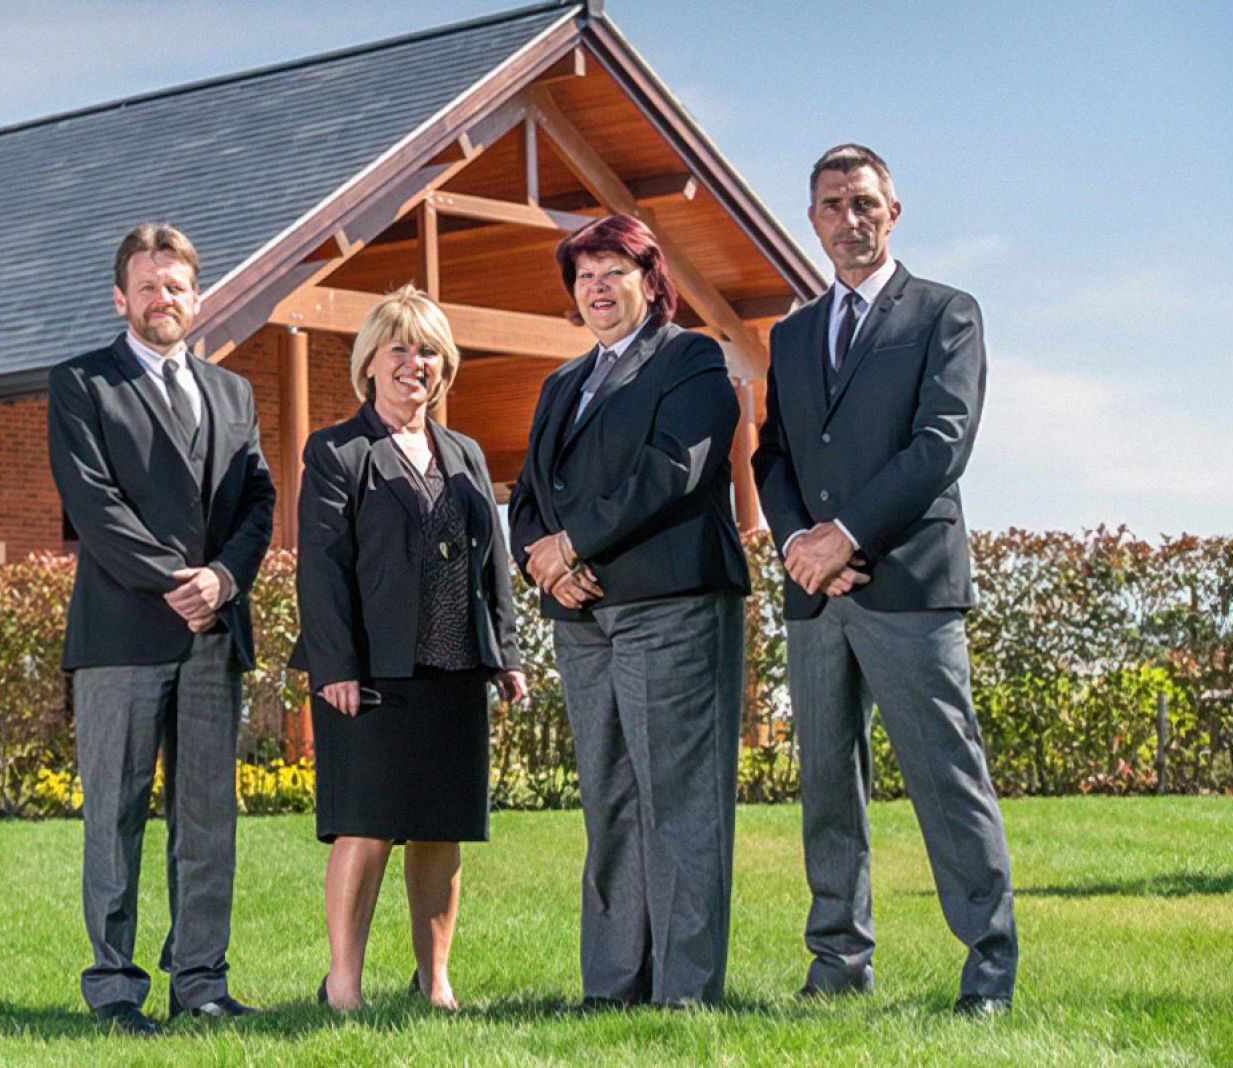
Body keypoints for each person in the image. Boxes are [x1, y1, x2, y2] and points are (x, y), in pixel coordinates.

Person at [752, 144, 1018, 1017]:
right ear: (813, 218)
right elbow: (773, 456)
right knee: (828, 784)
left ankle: (987, 967)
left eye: (864, 203)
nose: (849, 219)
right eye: (832, 205)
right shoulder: (790, 337)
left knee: (947, 777)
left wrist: (846, 535)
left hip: (908, 583)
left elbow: (942, 444)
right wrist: (800, 542)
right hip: (814, 595)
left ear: (892, 212)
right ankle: (837, 962)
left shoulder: (947, 314)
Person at [508, 215, 748, 1008]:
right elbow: (528, 495)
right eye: (583, 276)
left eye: (614, 270)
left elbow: (672, 469)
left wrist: (575, 542)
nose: (598, 288)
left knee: (678, 800)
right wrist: (543, 557)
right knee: (610, 800)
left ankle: (684, 992)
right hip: (583, 618)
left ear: (650, 279)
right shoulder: (560, 385)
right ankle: (614, 984)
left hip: (671, 605)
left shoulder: (690, 358)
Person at [47, 223, 275, 1036]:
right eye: (146, 286)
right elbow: (93, 506)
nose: (161, 299)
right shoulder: (81, 384)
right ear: (121, 297)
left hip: (213, 631)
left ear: (196, 296)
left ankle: (202, 984)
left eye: (174, 286)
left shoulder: (232, 393)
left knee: (208, 818)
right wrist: (176, 579)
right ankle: (114, 988)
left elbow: (258, 500)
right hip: (122, 634)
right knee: (114, 815)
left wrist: (223, 578)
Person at [289, 285, 528, 1012]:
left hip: (453, 671)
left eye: (427, 350)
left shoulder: (465, 454)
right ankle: (345, 987)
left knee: (440, 832)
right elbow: (320, 567)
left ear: (444, 366)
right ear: (369, 362)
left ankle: (438, 983)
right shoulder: (338, 451)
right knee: (366, 829)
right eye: (398, 348)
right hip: (369, 676)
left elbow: (495, 563)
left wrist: (507, 653)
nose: (413, 363)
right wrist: (335, 667)